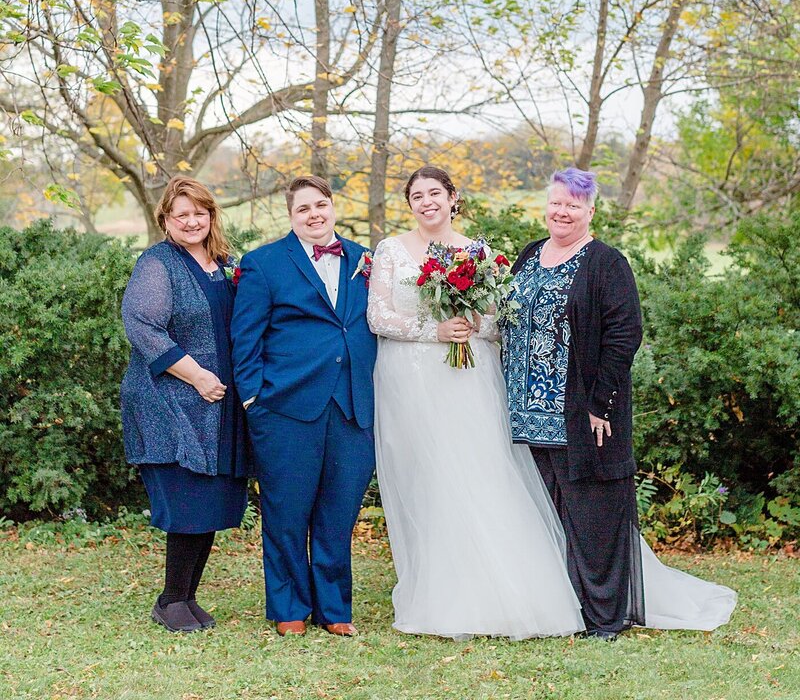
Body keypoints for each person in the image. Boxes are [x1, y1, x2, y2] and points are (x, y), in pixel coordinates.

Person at [505, 166, 737, 638]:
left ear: (591, 211)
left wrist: (598, 405)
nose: (561, 211)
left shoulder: (606, 263)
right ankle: (564, 609)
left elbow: (623, 336)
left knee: (593, 521)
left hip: (581, 418)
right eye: (556, 202)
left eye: (573, 204)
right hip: (527, 417)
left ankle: (606, 618)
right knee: (549, 519)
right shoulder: (530, 255)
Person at [367, 165, 585, 638]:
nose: (427, 202)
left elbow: (496, 320)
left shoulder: (477, 252)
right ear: (409, 204)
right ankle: (435, 587)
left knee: (477, 472)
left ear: (452, 197)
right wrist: (435, 330)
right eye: (417, 195)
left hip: (467, 379)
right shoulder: (390, 250)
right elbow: (378, 315)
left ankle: (500, 590)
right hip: (409, 379)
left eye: (435, 193)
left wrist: (469, 328)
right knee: (424, 478)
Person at [230, 175, 376, 637]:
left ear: (333, 207)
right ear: (290, 216)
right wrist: (255, 400)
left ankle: (334, 610)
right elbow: (245, 339)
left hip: (352, 405)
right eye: (303, 209)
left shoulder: (365, 260)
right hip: (285, 407)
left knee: (339, 511)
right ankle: (289, 606)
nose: (314, 215)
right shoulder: (263, 264)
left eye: (321, 205)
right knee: (287, 511)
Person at [120, 177, 249, 633]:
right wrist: (196, 375)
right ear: (166, 221)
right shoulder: (158, 264)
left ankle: (186, 597)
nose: (192, 221)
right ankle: (171, 599)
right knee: (188, 498)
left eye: (199, 213)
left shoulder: (226, 264)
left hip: (217, 404)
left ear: (211, 216)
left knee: (211, 502)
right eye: (182, 215)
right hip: (171, 399)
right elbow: (142, 326)